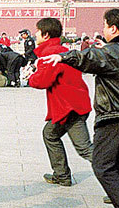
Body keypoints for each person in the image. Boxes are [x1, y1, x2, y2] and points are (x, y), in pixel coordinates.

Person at [39, 9, 119, 208]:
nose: (103, 29)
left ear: (113, 28)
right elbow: (109, 57)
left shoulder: (111, 52)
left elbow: (87, 58)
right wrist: (106, 49)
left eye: (105, 25)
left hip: (116, 115)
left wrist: (63, 56)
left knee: (103, 166)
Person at [28, 18, 93, 186]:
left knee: (85, 148)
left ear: (46, 34)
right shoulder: (62, 50)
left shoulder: (51, 53)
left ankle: (118, 178)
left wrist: (30, 76)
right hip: (73, 103)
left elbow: (42, 81)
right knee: (50, 134)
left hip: (69, 107)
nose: (35, 34)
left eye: (37, 31)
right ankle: (61, 175)